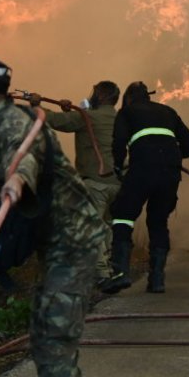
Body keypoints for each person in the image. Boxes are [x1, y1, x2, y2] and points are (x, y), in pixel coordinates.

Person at [0, 52, 104, 377]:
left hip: (73, 242)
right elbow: (8, 127)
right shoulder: (6, 117)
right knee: (44, 332)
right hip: (58, 238)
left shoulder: (15, 127)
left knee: (53, 341)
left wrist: (16, 183)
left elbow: (24, 156)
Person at [103, 81, 189, 294]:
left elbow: (118, 143)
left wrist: (118, 167)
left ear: (128, 98)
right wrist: (168, 156)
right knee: (158, 220)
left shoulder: (126, 112)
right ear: (148, 96)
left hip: (142, 170)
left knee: (122, 215)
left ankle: (120, 274)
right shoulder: (168, 111)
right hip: (169, 173)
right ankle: (157, 280)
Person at [31, 82, 122, 289]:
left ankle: (103, 274)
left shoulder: (87, 117)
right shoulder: (120, 118)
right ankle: (113, 268)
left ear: (101, 95)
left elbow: (53, 120)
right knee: (108, 227)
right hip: (118, 183)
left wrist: (35, 104)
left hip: (95, 182)